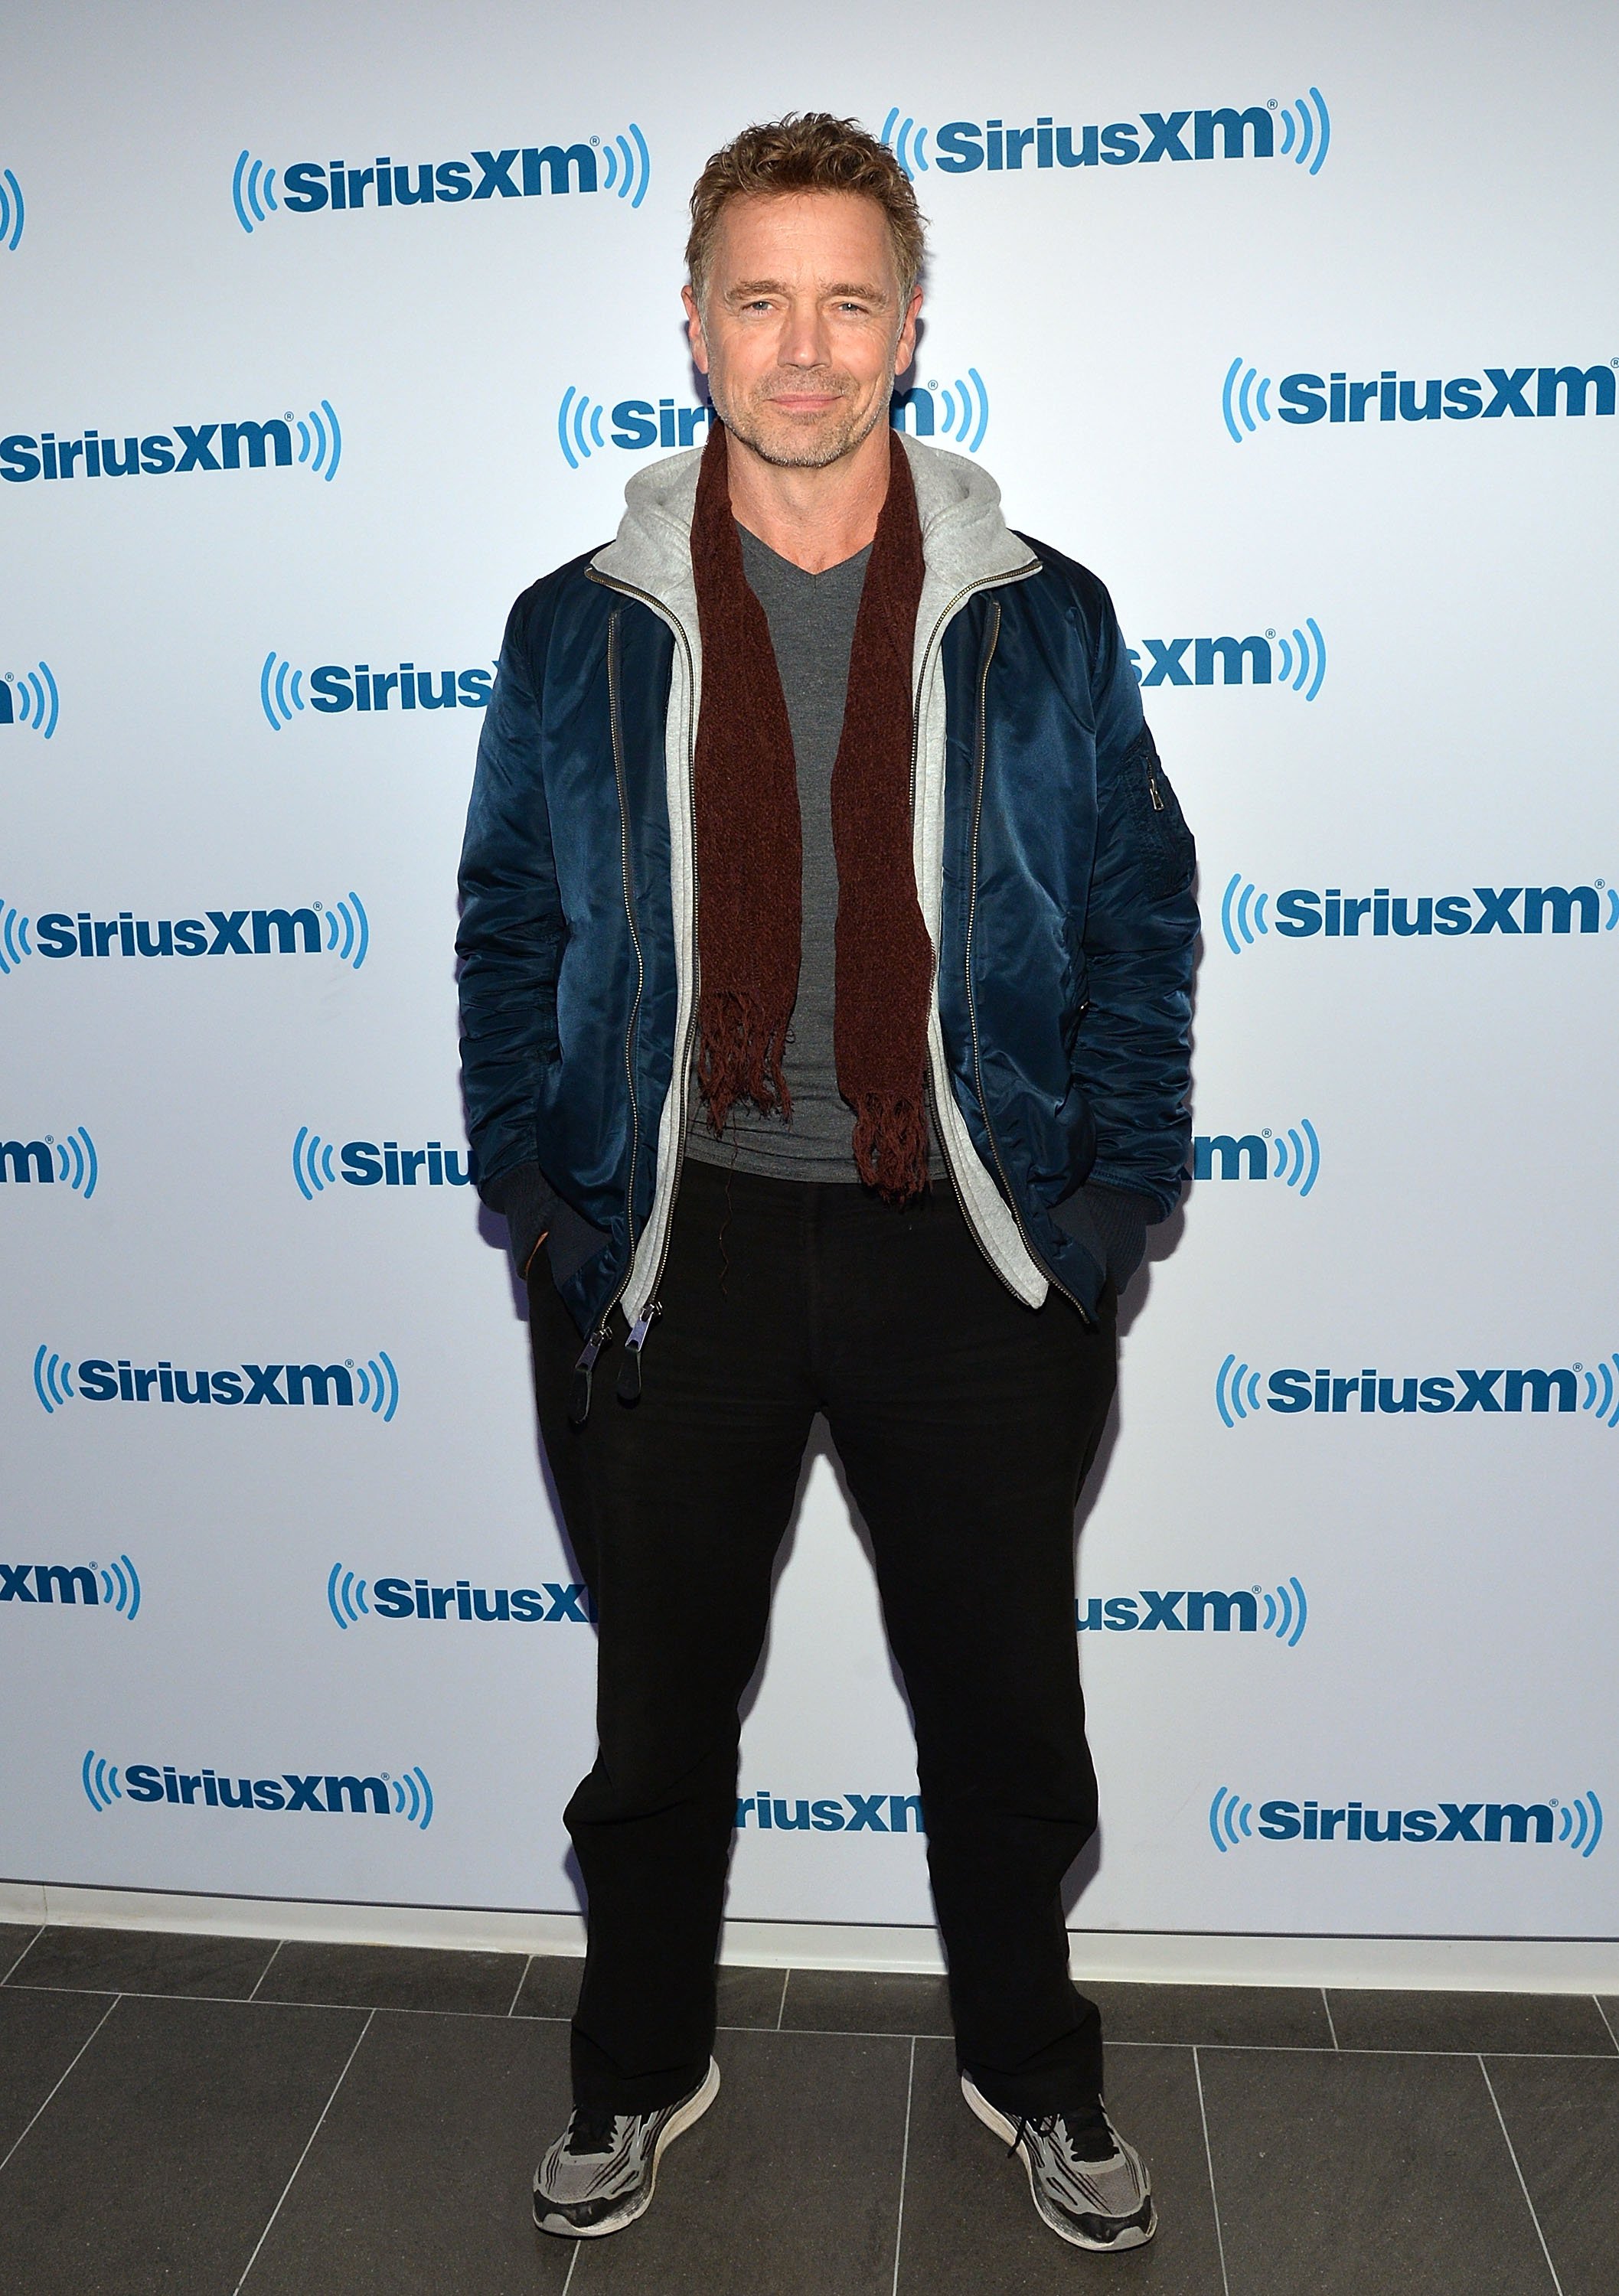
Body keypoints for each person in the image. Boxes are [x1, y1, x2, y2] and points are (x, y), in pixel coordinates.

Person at [456, 112, 1196, 2255]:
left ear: (910, 332)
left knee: (1000, 1708)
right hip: (667, 1251)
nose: (802, 349)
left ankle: (1028, 2069)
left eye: (845, 301)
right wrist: (544, 1193)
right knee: (658, 1718)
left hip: (962, 1247)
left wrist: (1098, 1217)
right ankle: (635, 2066)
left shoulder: (1038, 619)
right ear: (688, 326)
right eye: (758, 300)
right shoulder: (573, 624)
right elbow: (510, 918)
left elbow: (1139, 917)